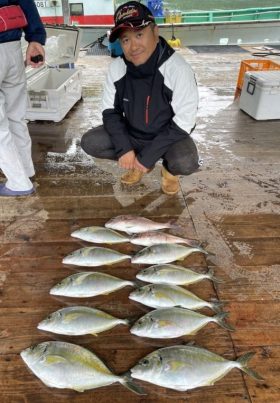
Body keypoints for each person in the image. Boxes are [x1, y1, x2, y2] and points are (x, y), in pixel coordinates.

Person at [81, 1, 199, 195]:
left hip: (168, 136)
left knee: (186, 163)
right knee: (90, 142)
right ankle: (137, 162)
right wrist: (124, 148)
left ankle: (169, 172)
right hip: (133, 133)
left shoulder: (178, 69)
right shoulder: (117, 68)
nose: (133, 46)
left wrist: (148, 157)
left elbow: (184, 123)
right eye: (125, 40)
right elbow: (110, 112)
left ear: (155, 31)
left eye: (139, 34)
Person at [0, 0, 46, 196]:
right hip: (12, 48)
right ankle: (25, 170)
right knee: (15, 116)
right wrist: (36, 39)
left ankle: (19, 182)